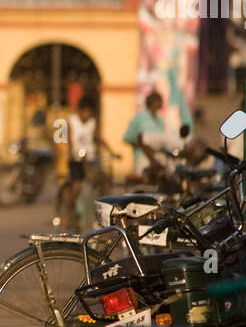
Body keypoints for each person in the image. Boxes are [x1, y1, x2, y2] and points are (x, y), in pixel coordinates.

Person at [57, 96, 113, 229]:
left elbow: (98, 138)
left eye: (89, 112)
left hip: (90, 159)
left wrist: (111, 152)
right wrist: (70, 152)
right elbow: (68, 139)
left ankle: (103, 216)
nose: (87, 115)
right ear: (80, 111)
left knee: (103, 183)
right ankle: (68, 214)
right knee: (76, 187)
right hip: (76, 159)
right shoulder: (71, 121)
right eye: (85, 111)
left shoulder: (92, 122)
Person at [123, 90, 168, 175]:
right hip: (142, 156)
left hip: (158, 156)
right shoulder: (140, 118)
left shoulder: (160, 120)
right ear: (151, 102)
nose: (160, 104)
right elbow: (127, 138)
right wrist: (143, 146)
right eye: (158, 102)